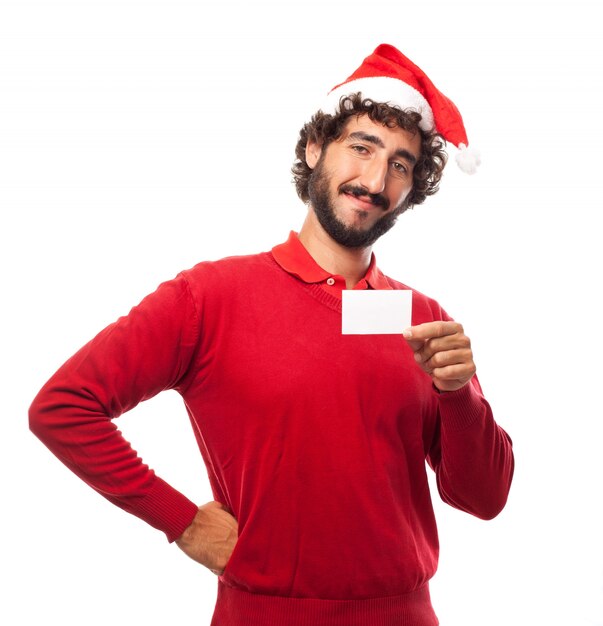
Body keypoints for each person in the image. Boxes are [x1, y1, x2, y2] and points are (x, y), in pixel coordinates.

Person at [29, 43, 514, 626]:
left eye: (401, 164)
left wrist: (458, 393)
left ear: (412, 190)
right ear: (315, 149)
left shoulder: (421, 317)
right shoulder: (210, 297)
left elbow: (483, 499)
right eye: (361, 147)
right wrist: (181, 520)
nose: (374, 178)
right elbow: (62, 407)